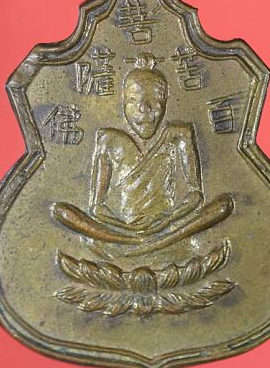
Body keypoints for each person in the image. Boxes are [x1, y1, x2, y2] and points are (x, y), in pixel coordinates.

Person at [52, 54, 233, 254]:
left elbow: (195, 195)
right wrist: (131, 232)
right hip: (119, 233)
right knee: (63, 212)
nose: (144, 108)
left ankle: (146, 245)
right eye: (134, 100)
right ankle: (139, 244)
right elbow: (97, 208)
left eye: (154, 100)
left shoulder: (178, 134)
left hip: (170, 229)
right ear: (123, 102)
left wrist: (166, 222)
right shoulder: (108, 139)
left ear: (165, 101)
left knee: (222, 207)